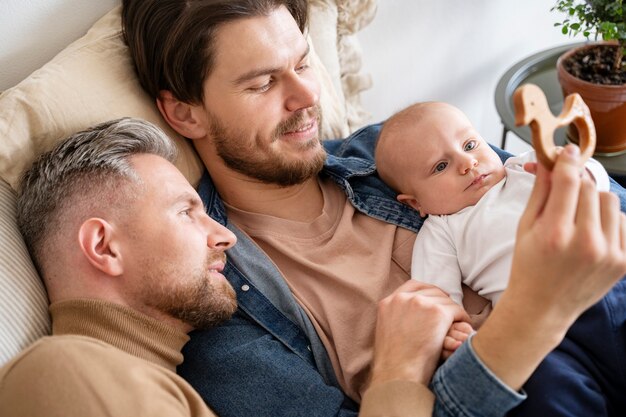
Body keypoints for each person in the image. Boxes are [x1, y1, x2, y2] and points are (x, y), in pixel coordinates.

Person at [121, 1, 626, 416]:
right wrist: (526, 321)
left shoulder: (386, 150)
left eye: (301, 63)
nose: (306, 96)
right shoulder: (219, 302)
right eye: (262, 84)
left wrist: (574, 178)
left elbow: (586, 197)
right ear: (184, 113)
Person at [0, 117, 453, 417]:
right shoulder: (66, 372)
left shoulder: (174, 384)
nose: (225, 236)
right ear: (104, 246)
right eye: (185, 212)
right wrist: (397, 371)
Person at [375, 101, 626, 416]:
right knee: (540, 388)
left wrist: (578, 170)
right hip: (542, 335)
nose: (467, 163)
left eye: (470, 144)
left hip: (607, 282)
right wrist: (455, 336)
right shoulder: (441, 231)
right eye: (440, 166)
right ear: (415, 203)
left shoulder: (525, 168)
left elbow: (598, 185)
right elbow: (436, 303)